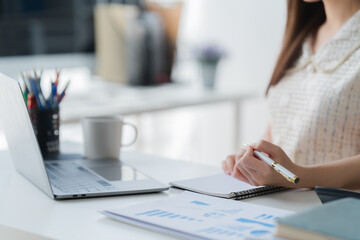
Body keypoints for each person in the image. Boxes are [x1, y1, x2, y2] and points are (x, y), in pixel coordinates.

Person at [222, 0, 360, 189]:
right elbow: (277, 133)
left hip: (337, 212)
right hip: (278, 209)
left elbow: (293, 174)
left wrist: (299, 176)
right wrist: (253, 160)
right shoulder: (303, 39)